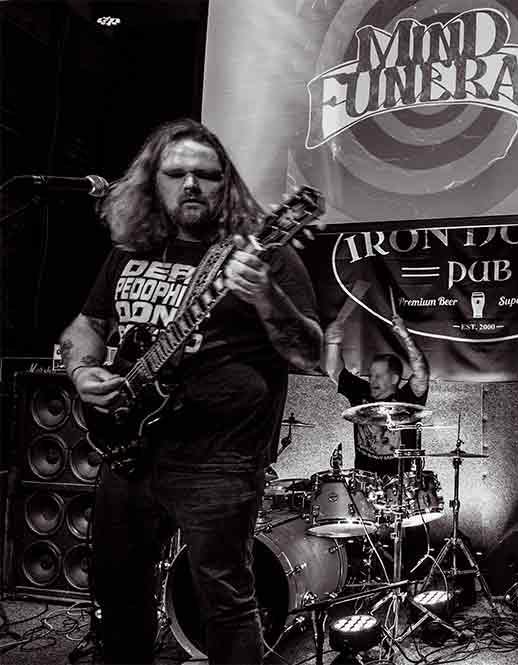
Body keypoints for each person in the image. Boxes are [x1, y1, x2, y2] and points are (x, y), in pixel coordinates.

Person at [58, 118, 322, 664]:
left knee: (223, 604)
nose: (191, 185)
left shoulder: (263, 254)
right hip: (129, 450)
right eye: (175, 173)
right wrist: (83, 372)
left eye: (206, 174)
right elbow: (87, 325)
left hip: (219, 460)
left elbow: (308, 353)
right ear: (151, 180)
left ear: (227, 183)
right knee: (117, 590)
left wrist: (266, 295)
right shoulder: (130, 250)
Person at [323, 313, 429, 476]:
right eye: (371, 375)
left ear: (394, 379)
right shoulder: (361, 392)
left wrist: (406, 337)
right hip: (364, 482)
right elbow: (334, 371)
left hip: (400, 483)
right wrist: (332, 343)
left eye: (379, 376)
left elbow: (422, 373)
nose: (372, 380)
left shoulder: (408, 398)